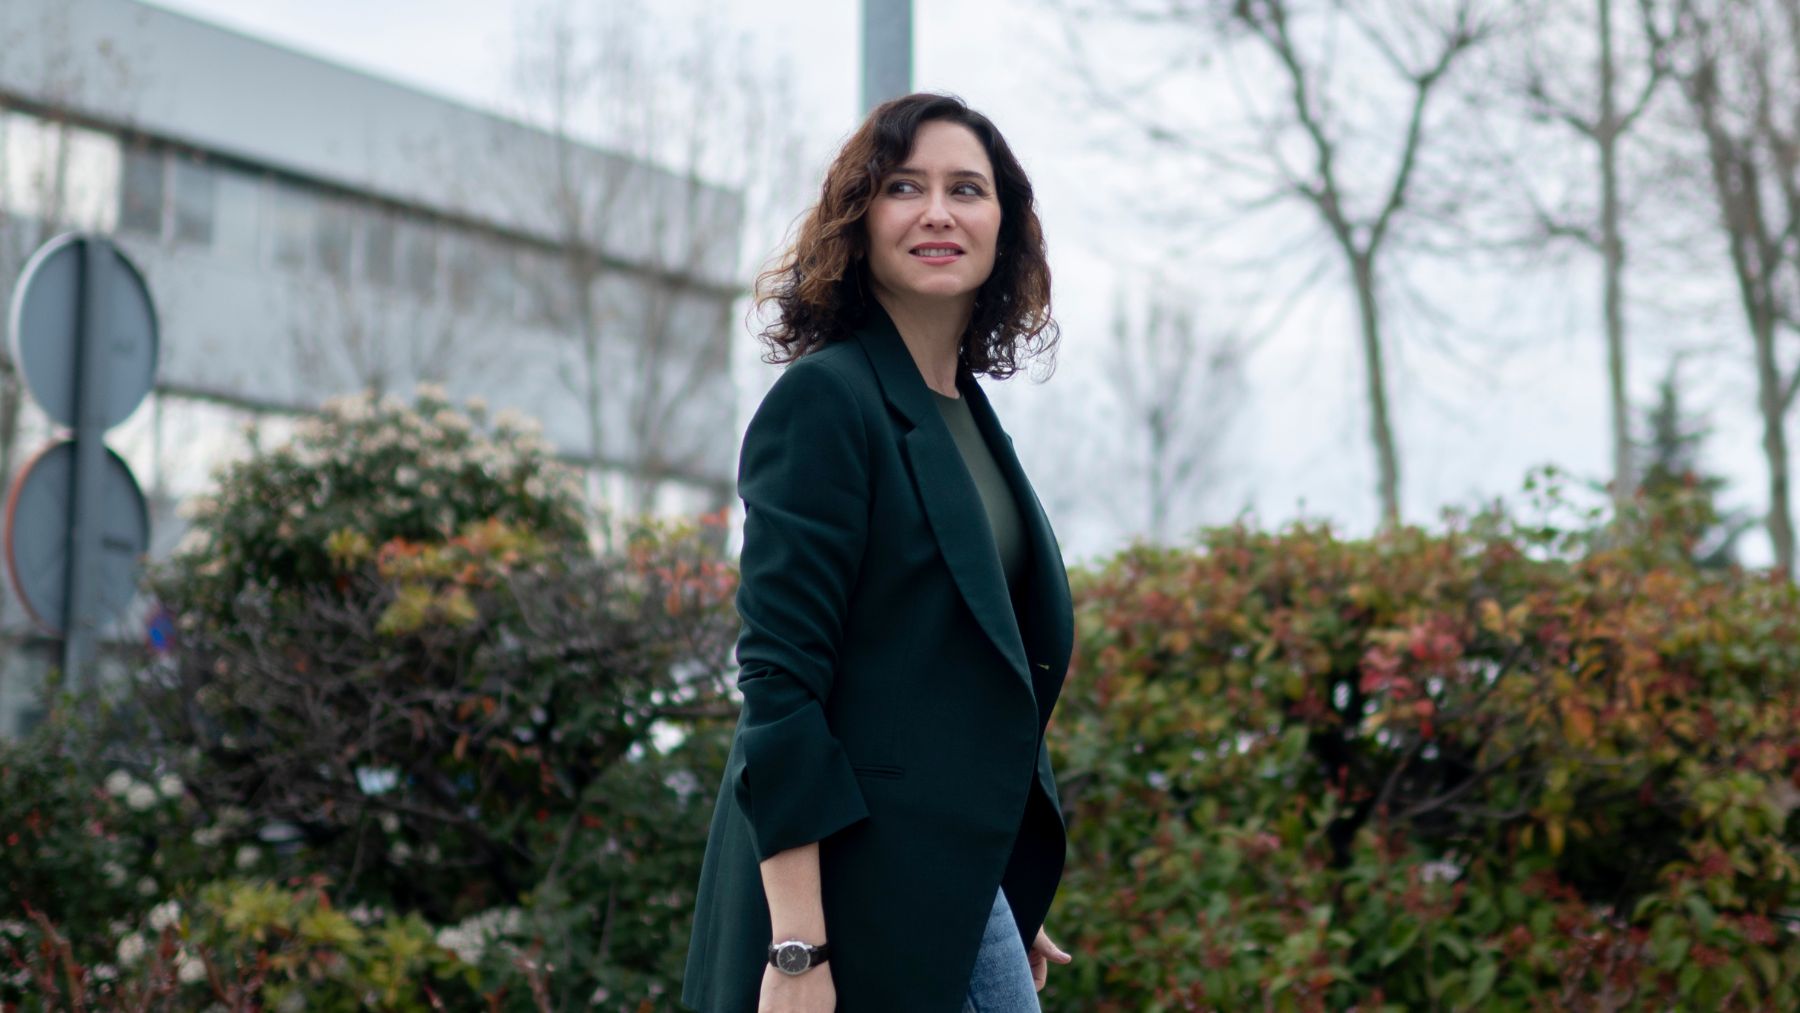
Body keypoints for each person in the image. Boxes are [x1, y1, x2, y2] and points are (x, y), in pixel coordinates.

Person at [681, 92, 1075, 1013]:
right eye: (906, 186)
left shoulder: (969, 415)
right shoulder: (827, 402)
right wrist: (795, 949)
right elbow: (781, 692)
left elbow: (977, 676)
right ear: (860, 221)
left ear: (1003, 228)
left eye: (967, 189)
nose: (938, 211)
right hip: (848, 905)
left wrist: (999, 888)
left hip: (957, 891)